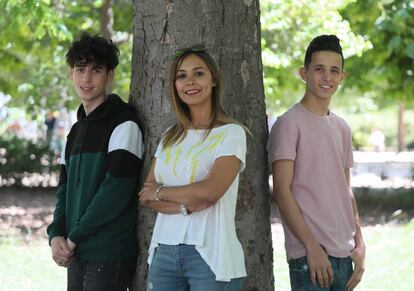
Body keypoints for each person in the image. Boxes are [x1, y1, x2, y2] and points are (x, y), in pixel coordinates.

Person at [139, 45, 247, 290]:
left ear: (214, 80)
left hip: (212, 255)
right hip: (164, 252)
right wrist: (186, 204)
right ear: (175, 85)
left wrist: (161, 191)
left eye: (198, 73)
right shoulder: (169, 137)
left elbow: (211, 191)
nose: (190, 81)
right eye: (181, 75)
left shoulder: (231, 134)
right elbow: (146, 194)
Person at [47, 32, 144, 291]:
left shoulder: (124, 125)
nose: (86, 78)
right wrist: (55, 233)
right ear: (71, 73)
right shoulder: (75, 132)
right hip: (76, 250)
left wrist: (73, 237)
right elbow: (63, 190)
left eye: (96, 70)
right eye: (80, 69)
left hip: (108, 252)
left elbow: (116, 192)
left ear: (110, 75)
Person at [267, 35, 365, 290]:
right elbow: (281, 191)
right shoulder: (288, 124)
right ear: (304, 73)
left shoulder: (342, 128)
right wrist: (312, 247)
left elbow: (346, 190)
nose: (327, 77)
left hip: (345, 254)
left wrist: (360, 243)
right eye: (319, 69)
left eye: (334, 71)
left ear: (342, 77)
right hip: (309, 254)